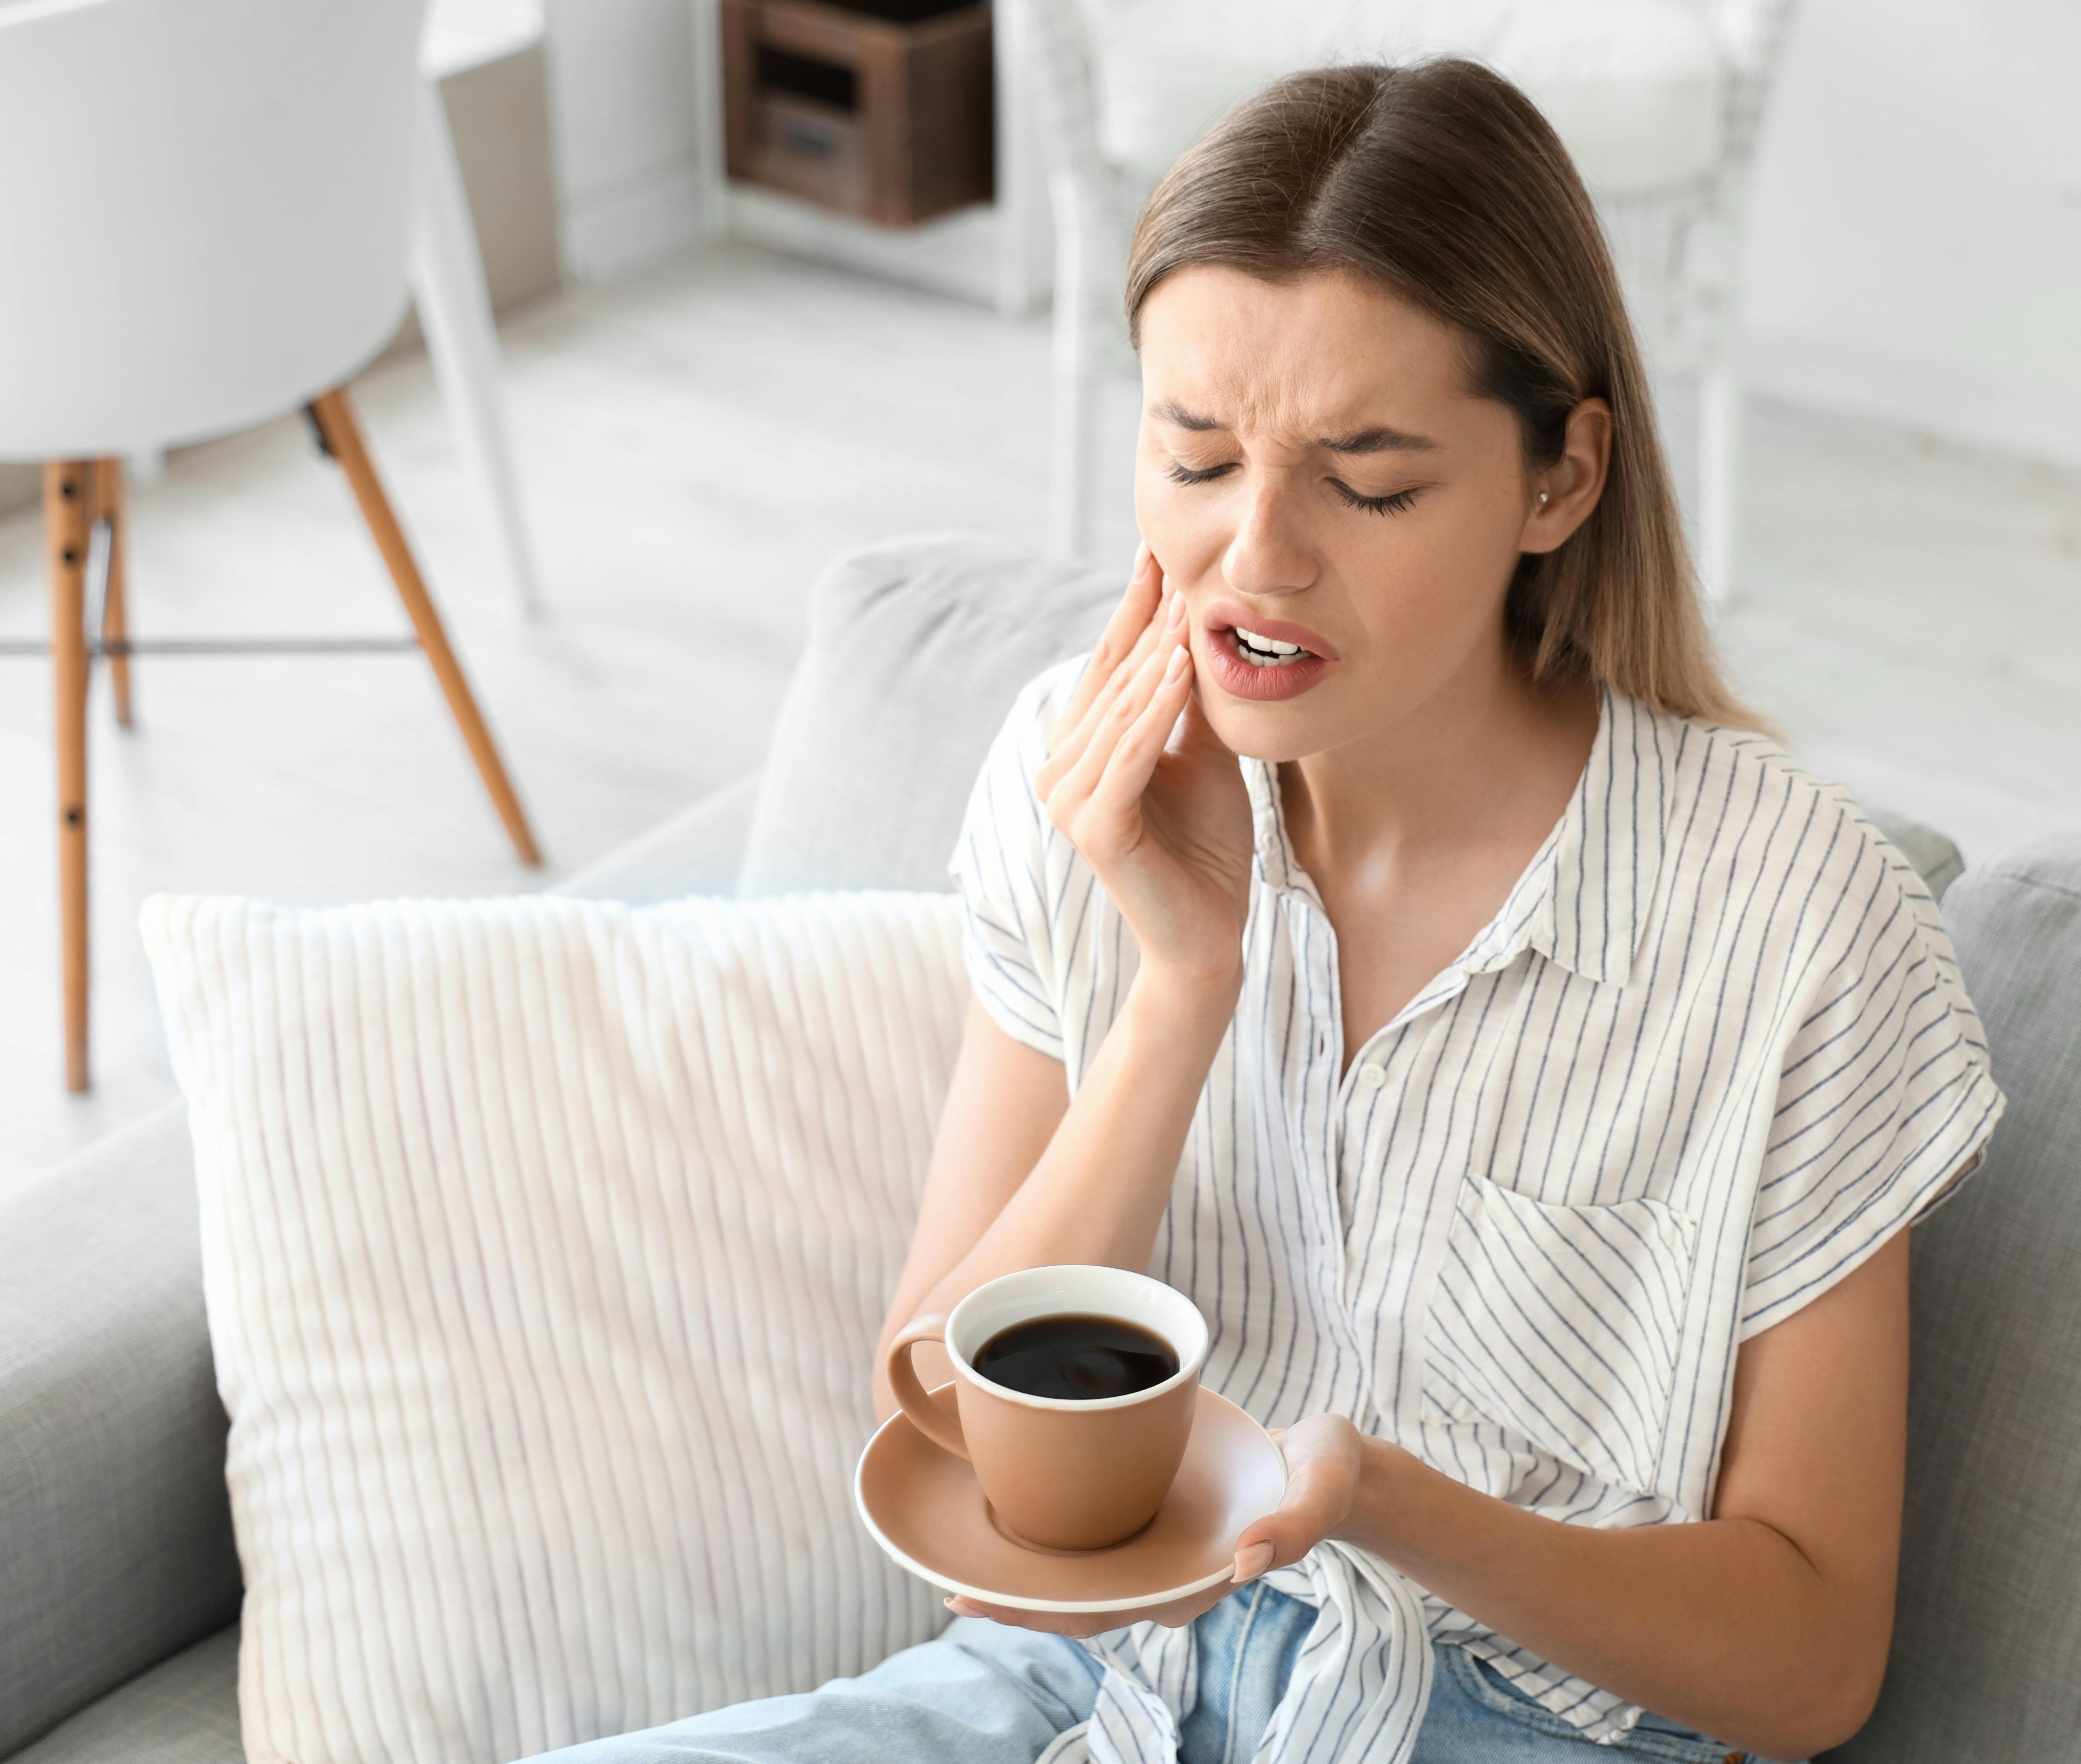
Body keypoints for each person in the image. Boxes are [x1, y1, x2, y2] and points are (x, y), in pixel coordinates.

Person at [545, 55, 2001, 1764]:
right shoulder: (1074, 775)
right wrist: (1178, 990)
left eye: (1367, 480)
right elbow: (943, 1425)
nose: (1257, 556)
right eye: (1196, 456)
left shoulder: (1794, 921)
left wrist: (1392, 1504)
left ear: (1561, 477)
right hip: (1080, 1691)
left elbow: (1813, 1658)